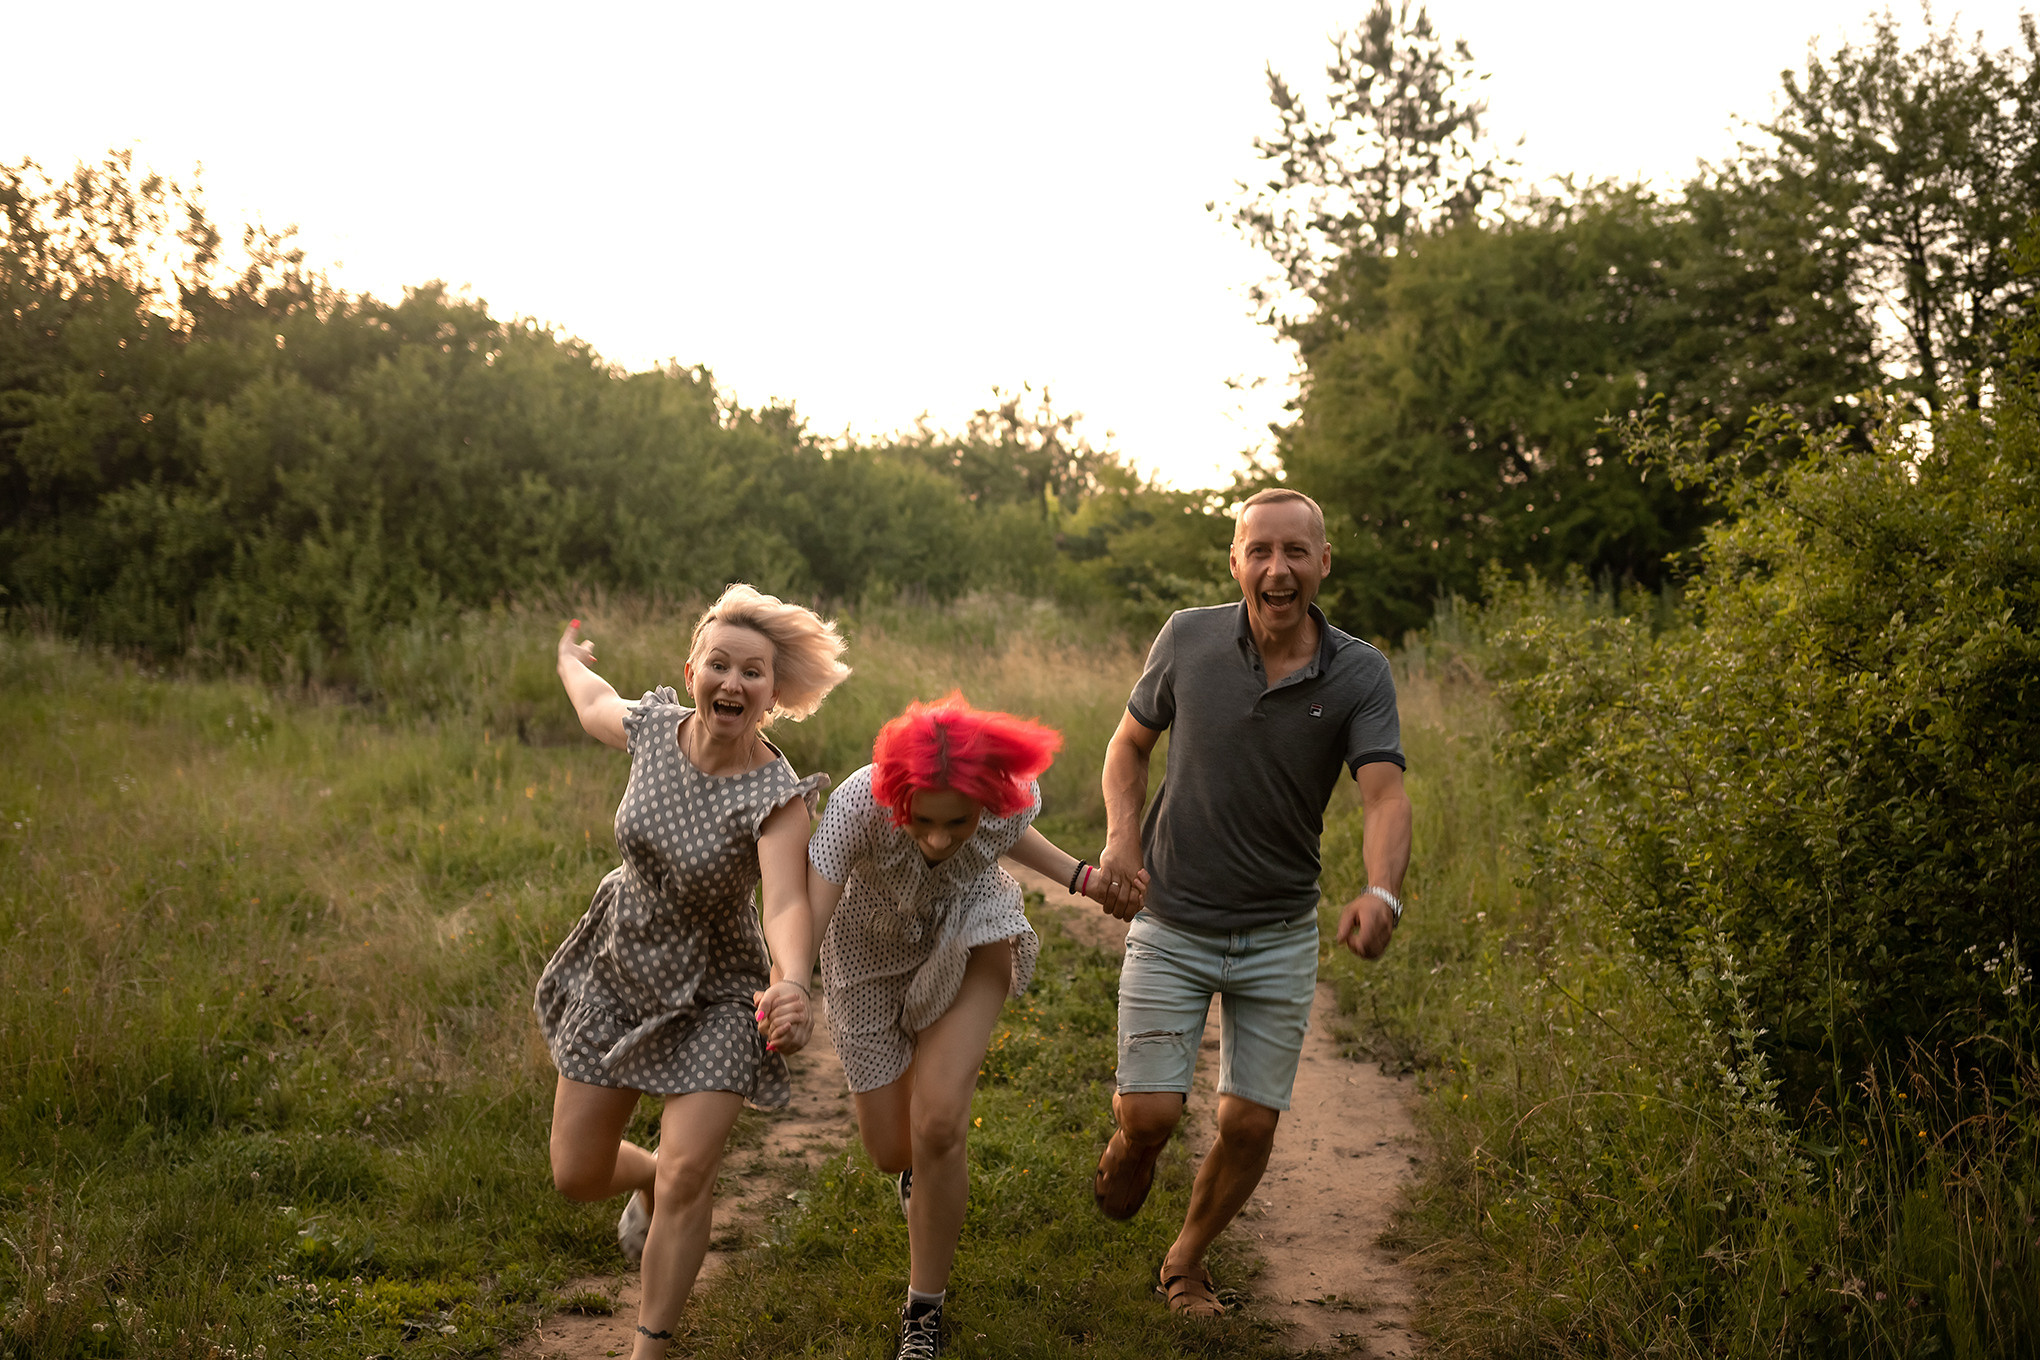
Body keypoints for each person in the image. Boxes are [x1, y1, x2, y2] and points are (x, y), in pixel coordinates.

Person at [1090, 488, 1413, 1318]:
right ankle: (1134, 1141)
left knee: (1250, 1125)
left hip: (1277, 931)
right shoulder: (1189, 637)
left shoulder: (1359, 671)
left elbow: (1383, 796)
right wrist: (1123, 840)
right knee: (1152, 1116)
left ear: (1323, 563)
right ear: (1235, 562)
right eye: (1259, 551)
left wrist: (1381, 892)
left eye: (1295, 552)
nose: (1278, 568)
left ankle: (1187, 1262)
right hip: (1172, 919)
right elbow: (1129, 746)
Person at [534, 584, 850, 1360]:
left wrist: (791, 982)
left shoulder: (778, 797)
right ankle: (638, 1179)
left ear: (773, 695)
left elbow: (783, 903)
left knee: (689, 1171)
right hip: (620, 961)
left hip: (717, 986)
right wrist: (568, 659)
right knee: (577, 1175)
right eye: (720, 665)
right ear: (694, 669)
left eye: (753, 673)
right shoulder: (651, 729)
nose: (733, 683)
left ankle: (650, 1345)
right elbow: (591, 701)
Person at [805, 693, 1140, 1359]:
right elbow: (810, 905)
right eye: (922, 821)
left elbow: (1010, 833)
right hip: (867, 952)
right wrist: (787, 981)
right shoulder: (855, 805)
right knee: (891, 1150)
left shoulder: (998, 799)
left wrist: (1083, 878)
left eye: (955, 822)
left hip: (971, 927)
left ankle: (922, 1314)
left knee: (938, 1126)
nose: (937, 837)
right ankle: (916, 1176)